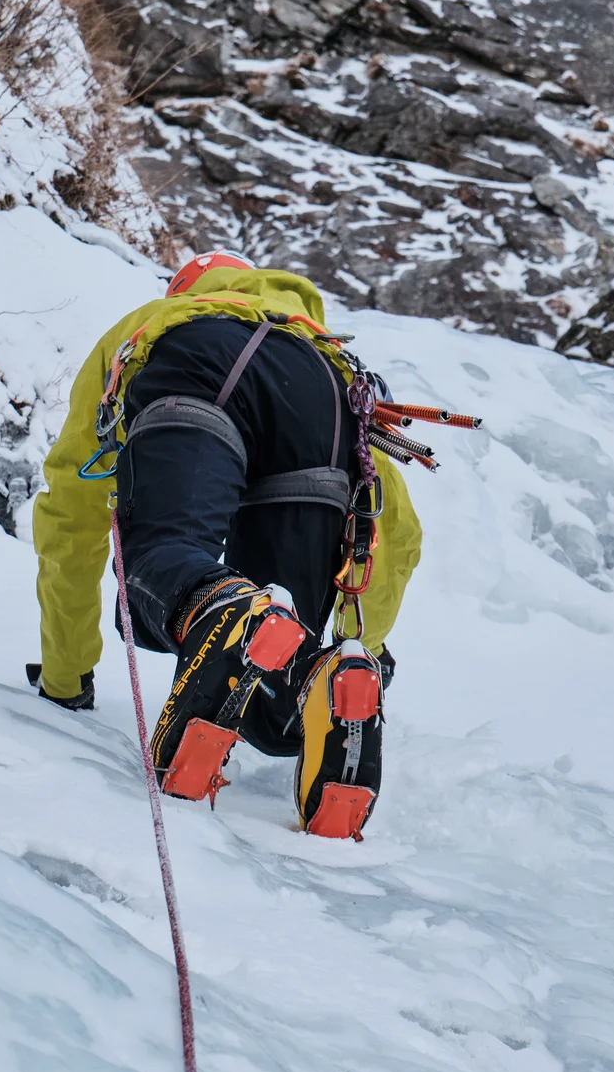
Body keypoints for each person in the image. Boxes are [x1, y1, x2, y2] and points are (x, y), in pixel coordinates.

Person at [28, 252, 423, 840]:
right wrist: (363, 643)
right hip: (313, 398)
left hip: (200, 363)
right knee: (275, 698)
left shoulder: (164, 318)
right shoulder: (332, 359)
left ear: (190, 286)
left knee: (169, 561)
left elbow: (70, 508)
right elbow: (397, 532)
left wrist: (65, 679)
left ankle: (217, 603)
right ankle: (331, 674)